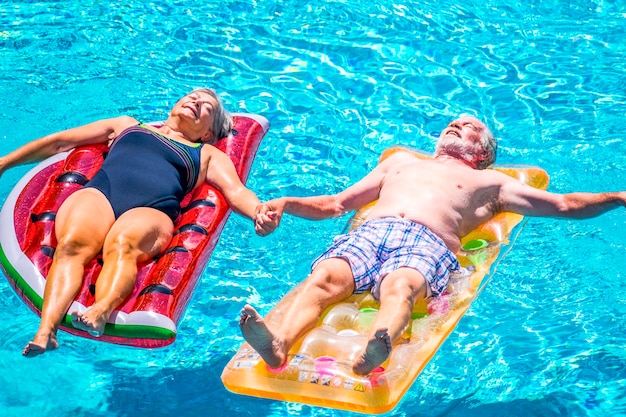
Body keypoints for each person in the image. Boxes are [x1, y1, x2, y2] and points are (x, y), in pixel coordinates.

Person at [241, 115, 626, 376]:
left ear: (482, 153)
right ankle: (277, 345)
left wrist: (619, 197)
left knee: (401, 285)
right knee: (325, 276)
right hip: (371, 233)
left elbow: (564, 204)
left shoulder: (491, 183)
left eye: (470, 127)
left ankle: (373, 351)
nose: (457, 124)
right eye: (454, 122)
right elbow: (336, 204)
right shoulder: (400, 163)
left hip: (427, 242)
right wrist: (286, 203)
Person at [0, 88, 279, 357]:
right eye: (193, 96)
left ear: (207, 133)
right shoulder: (126, 125)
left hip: (152, 209)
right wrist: (4, 163)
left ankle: (101, 310)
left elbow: (236, 191)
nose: (196, 101)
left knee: (123, 244)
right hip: (102, 193)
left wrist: (257, 212)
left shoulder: (206, 154)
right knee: (71, 245)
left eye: (207, 106)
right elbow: (59, 142)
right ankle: (46, 332)